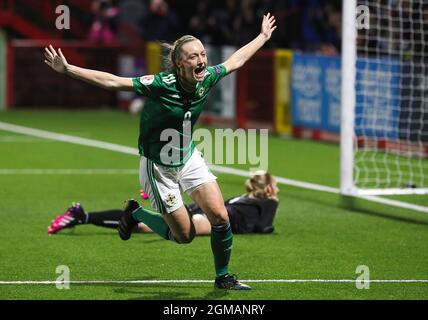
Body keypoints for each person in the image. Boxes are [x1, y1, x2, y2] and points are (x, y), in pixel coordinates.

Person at [44, 13, 277, 290]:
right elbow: (113, 81)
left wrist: (263, 36)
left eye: (203, 54)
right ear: (180, 63)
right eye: (193, 56)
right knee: (184, 236)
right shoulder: (160, 84)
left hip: (188, 157)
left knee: (220, 216)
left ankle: (223, 276)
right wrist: (69, 69)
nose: (202, 60)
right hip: (158, 168)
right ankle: (136, 214)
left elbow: (235, 61)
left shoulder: (206, 78)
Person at [48, 171, 279, 236]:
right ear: (268, 189)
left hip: (201, 211)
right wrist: (274, 200)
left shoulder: (242, 198)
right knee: (166, 229)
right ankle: (82, 216)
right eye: (275, 187)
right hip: (209, 220)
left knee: (146, 225)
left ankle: (84, 216)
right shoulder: (268, 203)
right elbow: (265, 227)